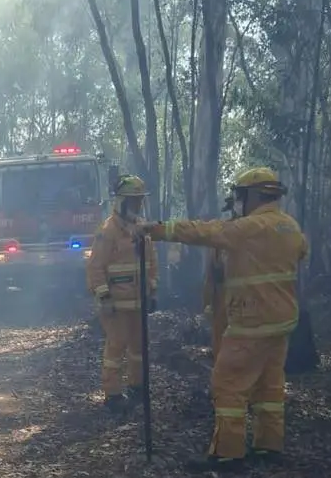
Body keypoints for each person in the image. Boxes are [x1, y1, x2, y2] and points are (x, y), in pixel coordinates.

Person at [136, 167, 307, 472]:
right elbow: (300, 254)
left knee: (228, 385)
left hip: (251, 323)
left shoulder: (249, 228)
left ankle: (227, 453)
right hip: (281, 323)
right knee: (270, 385)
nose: (237, 202)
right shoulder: (291, 227)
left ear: (253, 196)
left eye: (240, 196)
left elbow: (205, 232)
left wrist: (157, 229)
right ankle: (269, 445)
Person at [86, 174, 158, 414]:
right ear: (121, 202)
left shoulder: (142, 229)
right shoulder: (107, 231)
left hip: (138, 303)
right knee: (116, 347)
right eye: (132, 201)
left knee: (138, 347)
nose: (137, 206)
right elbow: (95, 267)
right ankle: (113, 394)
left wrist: (152, 290)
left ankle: (137, 386)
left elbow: (151, 263)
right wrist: (104, 297)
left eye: (139, 201)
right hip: (116, 305)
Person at [202, 195, 235, 362]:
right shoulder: (218, 237)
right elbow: (211, 274)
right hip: (220, 294)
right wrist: (207, 301)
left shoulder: (251, 233)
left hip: (243, 297)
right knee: (219, 333)